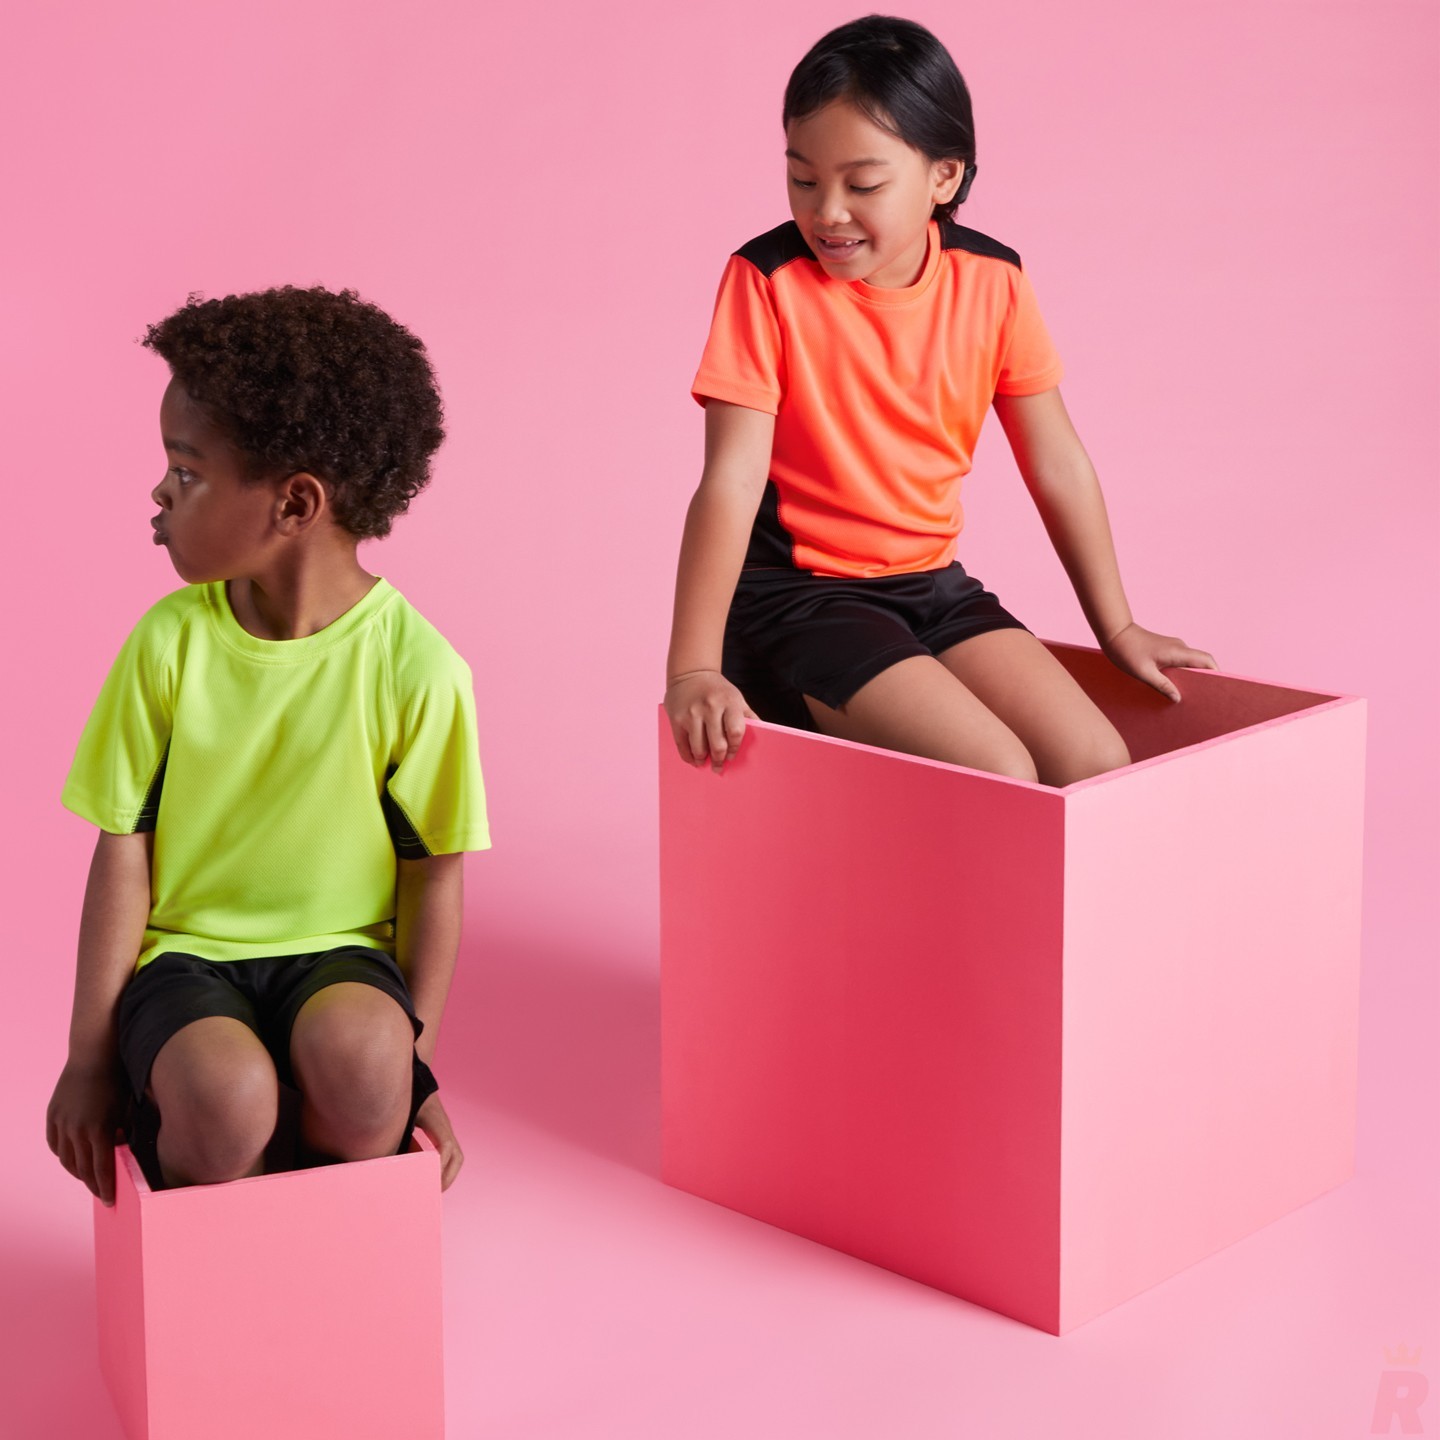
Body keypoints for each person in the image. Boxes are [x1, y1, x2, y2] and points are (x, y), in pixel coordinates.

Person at [665, 15, 1215, 782]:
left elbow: (1057, 462)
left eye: (863, 185)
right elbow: (730, 477)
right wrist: (692, 668)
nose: (827, 211)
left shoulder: (995, 280)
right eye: (803, 180)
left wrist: (1116, 625)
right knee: (998, 768)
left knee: (1096, 759)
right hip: (801, 597)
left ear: (944, 177)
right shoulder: (765, 282)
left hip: (933, 587)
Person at [46, 286, 489, 1202]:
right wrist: (87, 1062)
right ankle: (208, 1216)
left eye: (187, 471)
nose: (160, 492)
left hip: (341, 956)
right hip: (185, 959)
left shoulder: (419, 668)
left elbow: (433, 876)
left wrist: (415, 1074)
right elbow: (122, 850)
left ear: (294, 502)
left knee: (367, 1068)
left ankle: (324, 1244)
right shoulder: (167, 644)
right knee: (224, 1098)